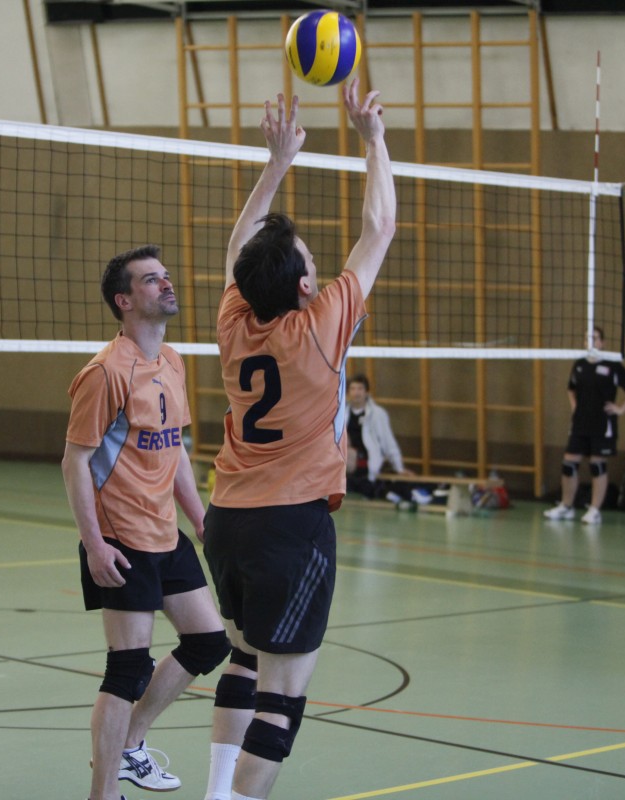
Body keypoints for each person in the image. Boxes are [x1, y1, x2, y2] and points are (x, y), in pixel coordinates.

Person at [201, 81, 395, 800]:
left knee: (244, 661)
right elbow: (379, 227)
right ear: (308, 288)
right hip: (291, 526)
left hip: (227, 521)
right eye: (313, 260)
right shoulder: (320, 327)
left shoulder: (233, 321)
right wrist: (373, 138)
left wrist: (277, 161)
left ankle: (218, 792)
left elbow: (239, 248)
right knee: (281, 699)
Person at [61, 245, 231, 800]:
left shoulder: (173, 361)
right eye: (151, 279)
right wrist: (93, 545)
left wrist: (200, 519)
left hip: (165, 533)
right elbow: (75, 462)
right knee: (128, 668)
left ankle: (132, 741)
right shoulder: (105, 372)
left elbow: (174, 447)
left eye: (165, 276)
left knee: (208, 642)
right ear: (125, 300)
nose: (166, 284)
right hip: (121, 539)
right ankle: (103, 793)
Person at [543, 326, 625, 524]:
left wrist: (621, 409)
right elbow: (571, 389)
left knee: (597, 465)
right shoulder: (579, 364)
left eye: (595, 338)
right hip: (580, 423)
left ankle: (595, 510)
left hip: (603, 424)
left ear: (602, 342)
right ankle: (566, 506)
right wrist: (574, 406)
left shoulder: (612, 364)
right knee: (569, 464)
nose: (591, 342)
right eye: (588, 338)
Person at [345, 373, 415, 502]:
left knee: (349, 455)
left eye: (360, 389)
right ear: (348, 392)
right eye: (353, 389)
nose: (356, 393)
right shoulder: (342, 413)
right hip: (345, 460)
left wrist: (399, 467)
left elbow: (388, 442)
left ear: (366, 392)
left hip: (366, 460)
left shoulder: (377, 414)